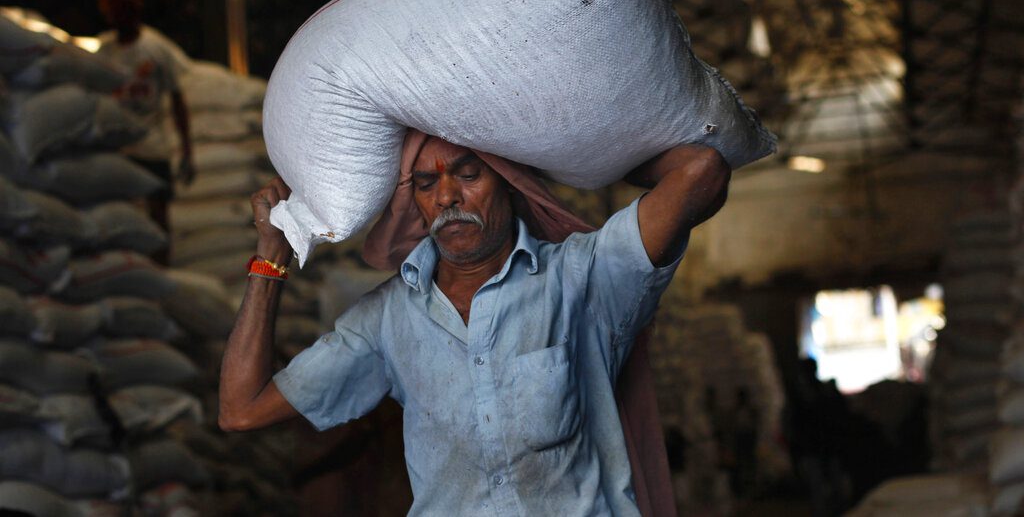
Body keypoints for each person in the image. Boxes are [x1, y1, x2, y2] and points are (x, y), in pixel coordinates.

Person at [219, 130, 731, 515]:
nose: (447, 197)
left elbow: (701, 170)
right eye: (427, 183)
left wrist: (573, 153)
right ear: (416, 203)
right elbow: (241, 410)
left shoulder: (582, 279)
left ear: (509, 184)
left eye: (468, 174)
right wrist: (271, 254)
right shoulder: (386, 319)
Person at [95, 0, 194, 240]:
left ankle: (161, 266)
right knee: (120, 215)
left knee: (158, 213)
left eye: (119, 13)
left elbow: (177, 99)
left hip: (152, 147)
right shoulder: (105, 50)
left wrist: (187, 149)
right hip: (119, 147)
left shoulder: (156, 48)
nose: (114, 20)